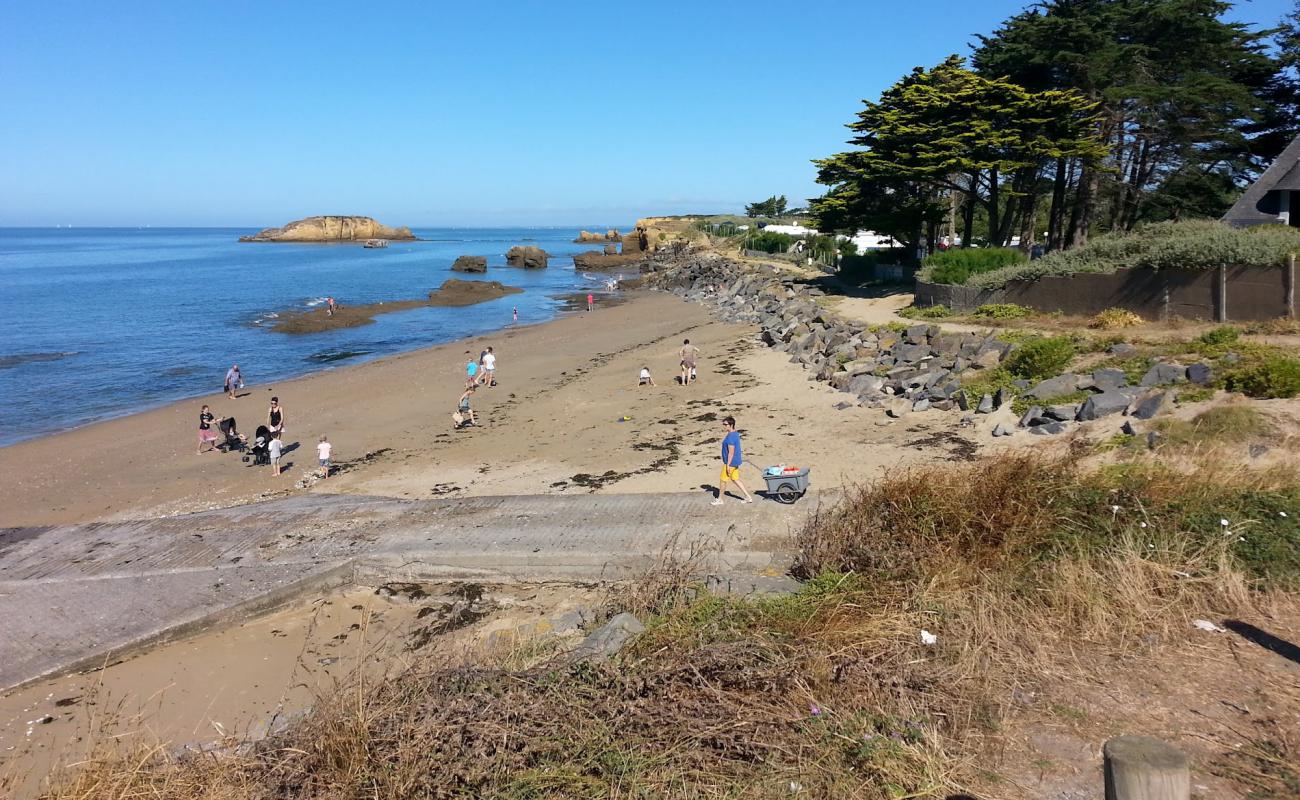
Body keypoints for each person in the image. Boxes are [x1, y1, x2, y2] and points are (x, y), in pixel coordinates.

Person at [713, 416, 753, 505]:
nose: (724, 426)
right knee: (735, 479)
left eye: (725, 424)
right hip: (735, 461)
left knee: (723, 480)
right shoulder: (734, 434)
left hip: (730, 462)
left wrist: (728, 465)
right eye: (723, 424)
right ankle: (748, 497)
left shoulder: (731, 437)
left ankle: (720, 499)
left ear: (731, 425)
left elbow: (731, 452)